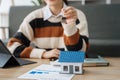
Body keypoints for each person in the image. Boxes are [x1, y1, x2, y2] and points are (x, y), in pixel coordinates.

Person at [7, 0, 89, 59]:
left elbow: (79, 53)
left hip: (73, 66)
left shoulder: (77, 15)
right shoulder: (34, 17)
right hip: (43, 66)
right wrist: (43, 53)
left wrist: (69, 27)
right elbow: (12, 47)